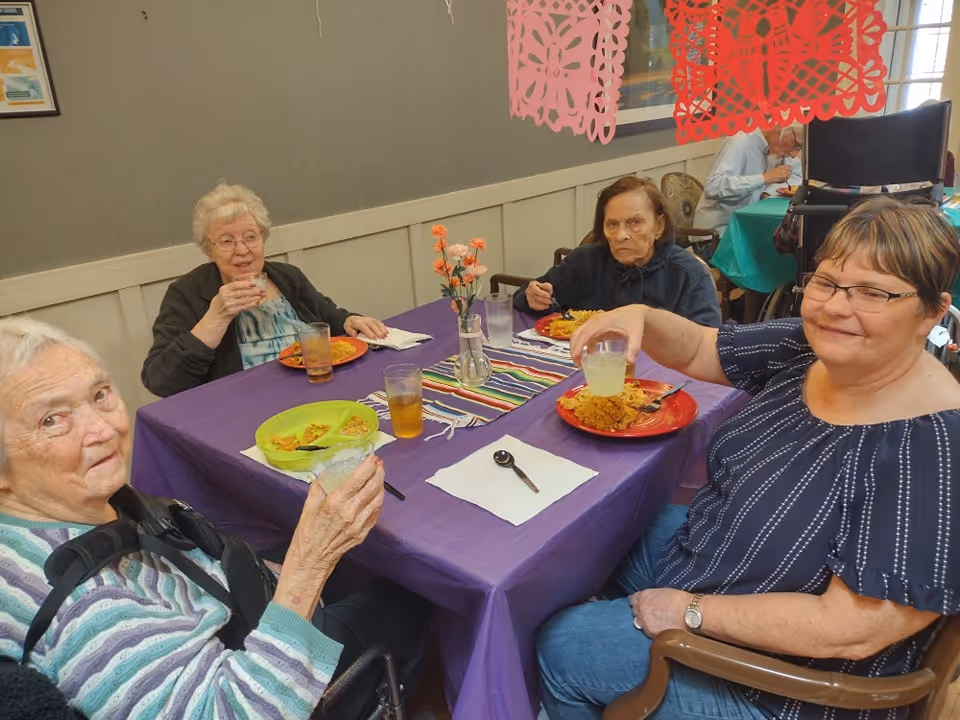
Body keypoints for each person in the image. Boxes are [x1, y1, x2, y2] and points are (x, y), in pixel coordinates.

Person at [537, 196, 960, 720]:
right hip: (720, 558)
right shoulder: (812, 347)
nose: (835, 307)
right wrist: (639, 314)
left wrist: (688, 611)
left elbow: (850, 630)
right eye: (826, 282)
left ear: (932, 313)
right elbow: (698, 350)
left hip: (792, 685)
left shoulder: (933, 447)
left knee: (560, 644)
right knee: (594, 534)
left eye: (873, 292)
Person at [0, 318, 428, 720]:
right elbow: (235, 709)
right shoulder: (87, 614)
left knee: (358, 554)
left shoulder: (60, 508)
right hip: (256, 678)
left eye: (99, 395)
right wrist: (308, 566)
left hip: (222, 604)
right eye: (52, 420)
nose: (103, 429)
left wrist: (284, 569)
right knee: (416, 590)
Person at [142, 183, 388, 397]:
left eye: (250, 237)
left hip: (319, 389)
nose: (242, 250)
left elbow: (328, 316)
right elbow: (161, 381)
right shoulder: (187, 293)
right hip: (244, 410)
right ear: (209, 249)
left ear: (263, 238)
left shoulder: (287, 277)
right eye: (226, 241)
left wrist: (349, 321)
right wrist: (215, 318)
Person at [513, 177, 722, 328]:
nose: (621, 235)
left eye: (635, 223)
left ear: (659, 225)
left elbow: (708, 343)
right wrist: (533, 296)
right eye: (612, 224)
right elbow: (526, 296)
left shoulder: (688, 274)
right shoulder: (585, 260)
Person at [694, 127, 795, 234]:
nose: (794, 154)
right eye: (795, 145)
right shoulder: (740, 142)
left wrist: (768, 189)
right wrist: (764, 178)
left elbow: (796, 175)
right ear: (780, 132)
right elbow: (713, 187)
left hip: (743, 226)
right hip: (717, 234)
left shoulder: (771, 150)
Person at [762, 126, 803, 196]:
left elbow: (797, 180)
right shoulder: (754, 150)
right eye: (795, 146)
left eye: (799, 149)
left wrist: (768, 192)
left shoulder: (792, 160)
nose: (794, 155)